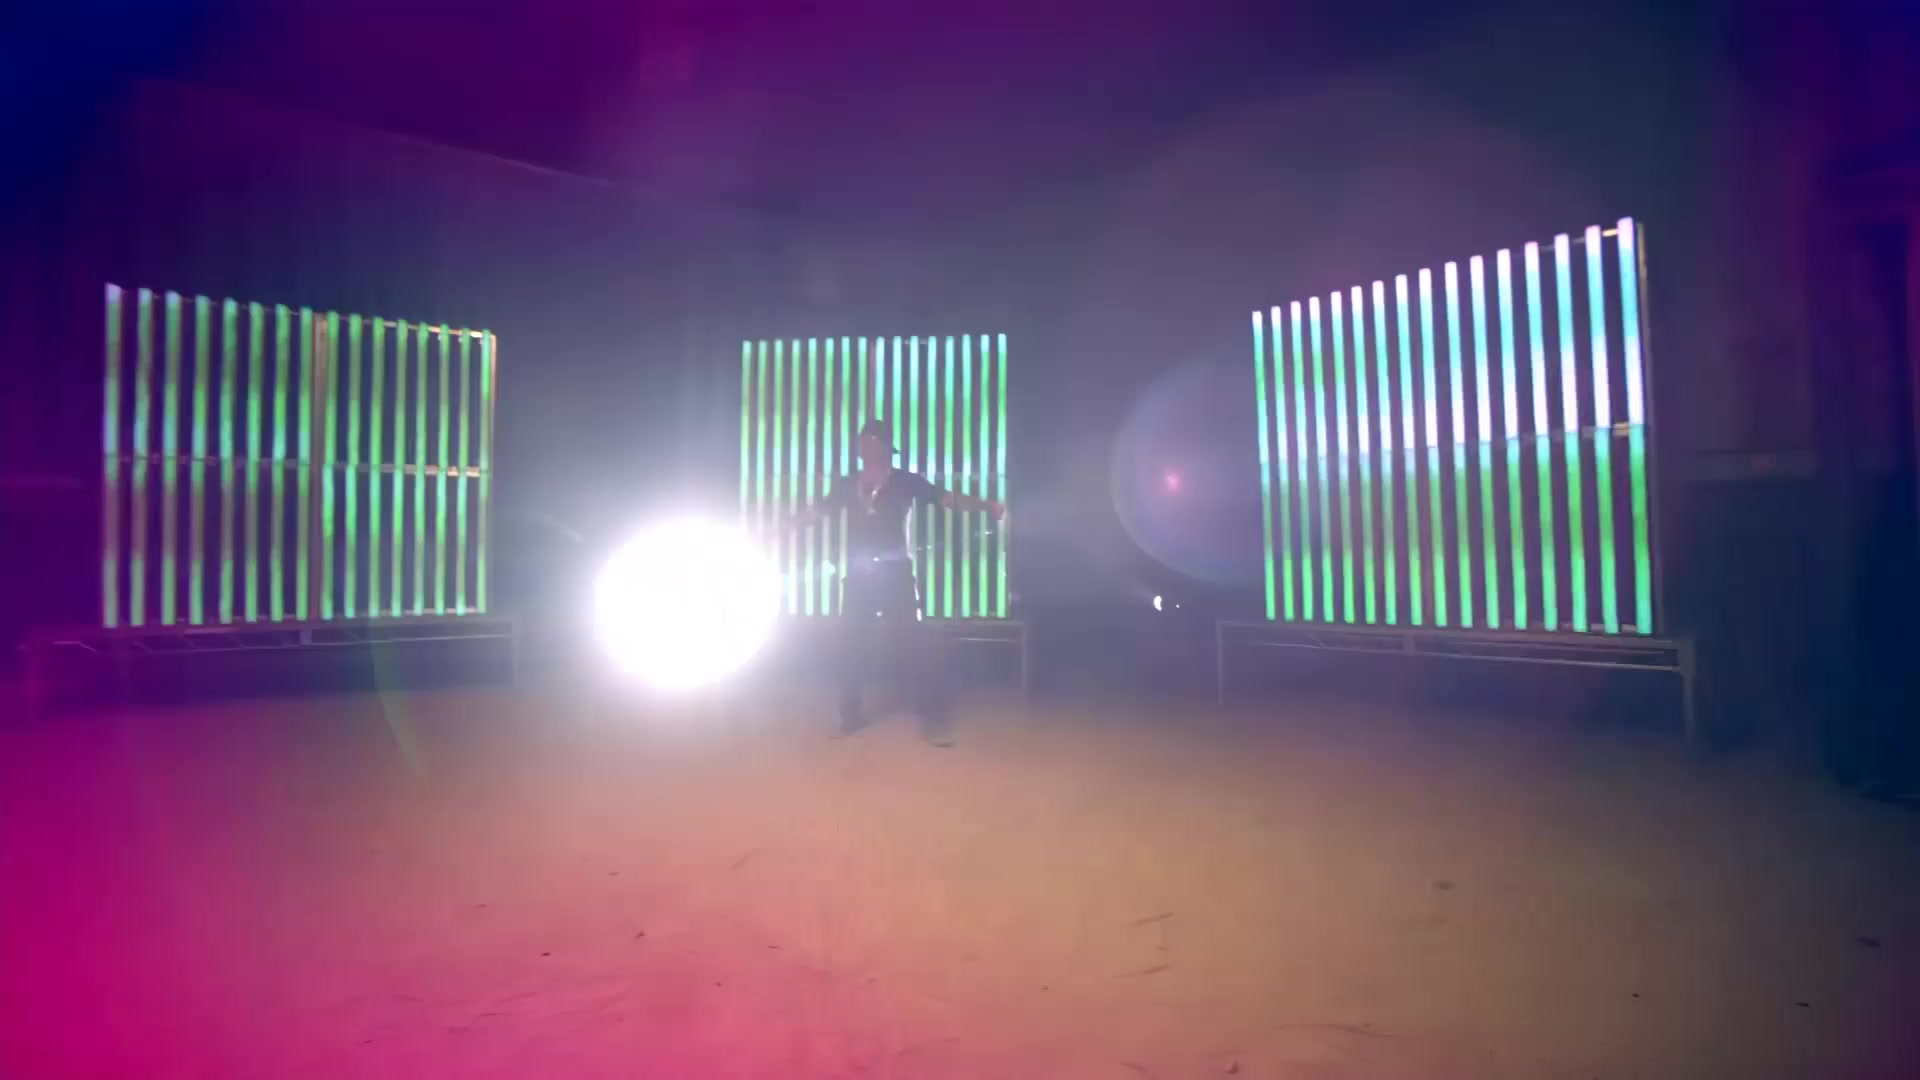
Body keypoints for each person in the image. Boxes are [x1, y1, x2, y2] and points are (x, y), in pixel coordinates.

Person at [778, 418, 1004, 746]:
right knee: (850, 642)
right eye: (861, 444)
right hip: (859, 576)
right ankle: (849, 716)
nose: (864, 449)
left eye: (870, 443)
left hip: (895, 573)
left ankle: (931, 717)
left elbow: (947, 499)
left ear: (884, 448)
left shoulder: (904, 482)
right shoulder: (848, 484)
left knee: (912, 642)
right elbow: (817, 512)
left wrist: (986, 506)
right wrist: (781, 528)